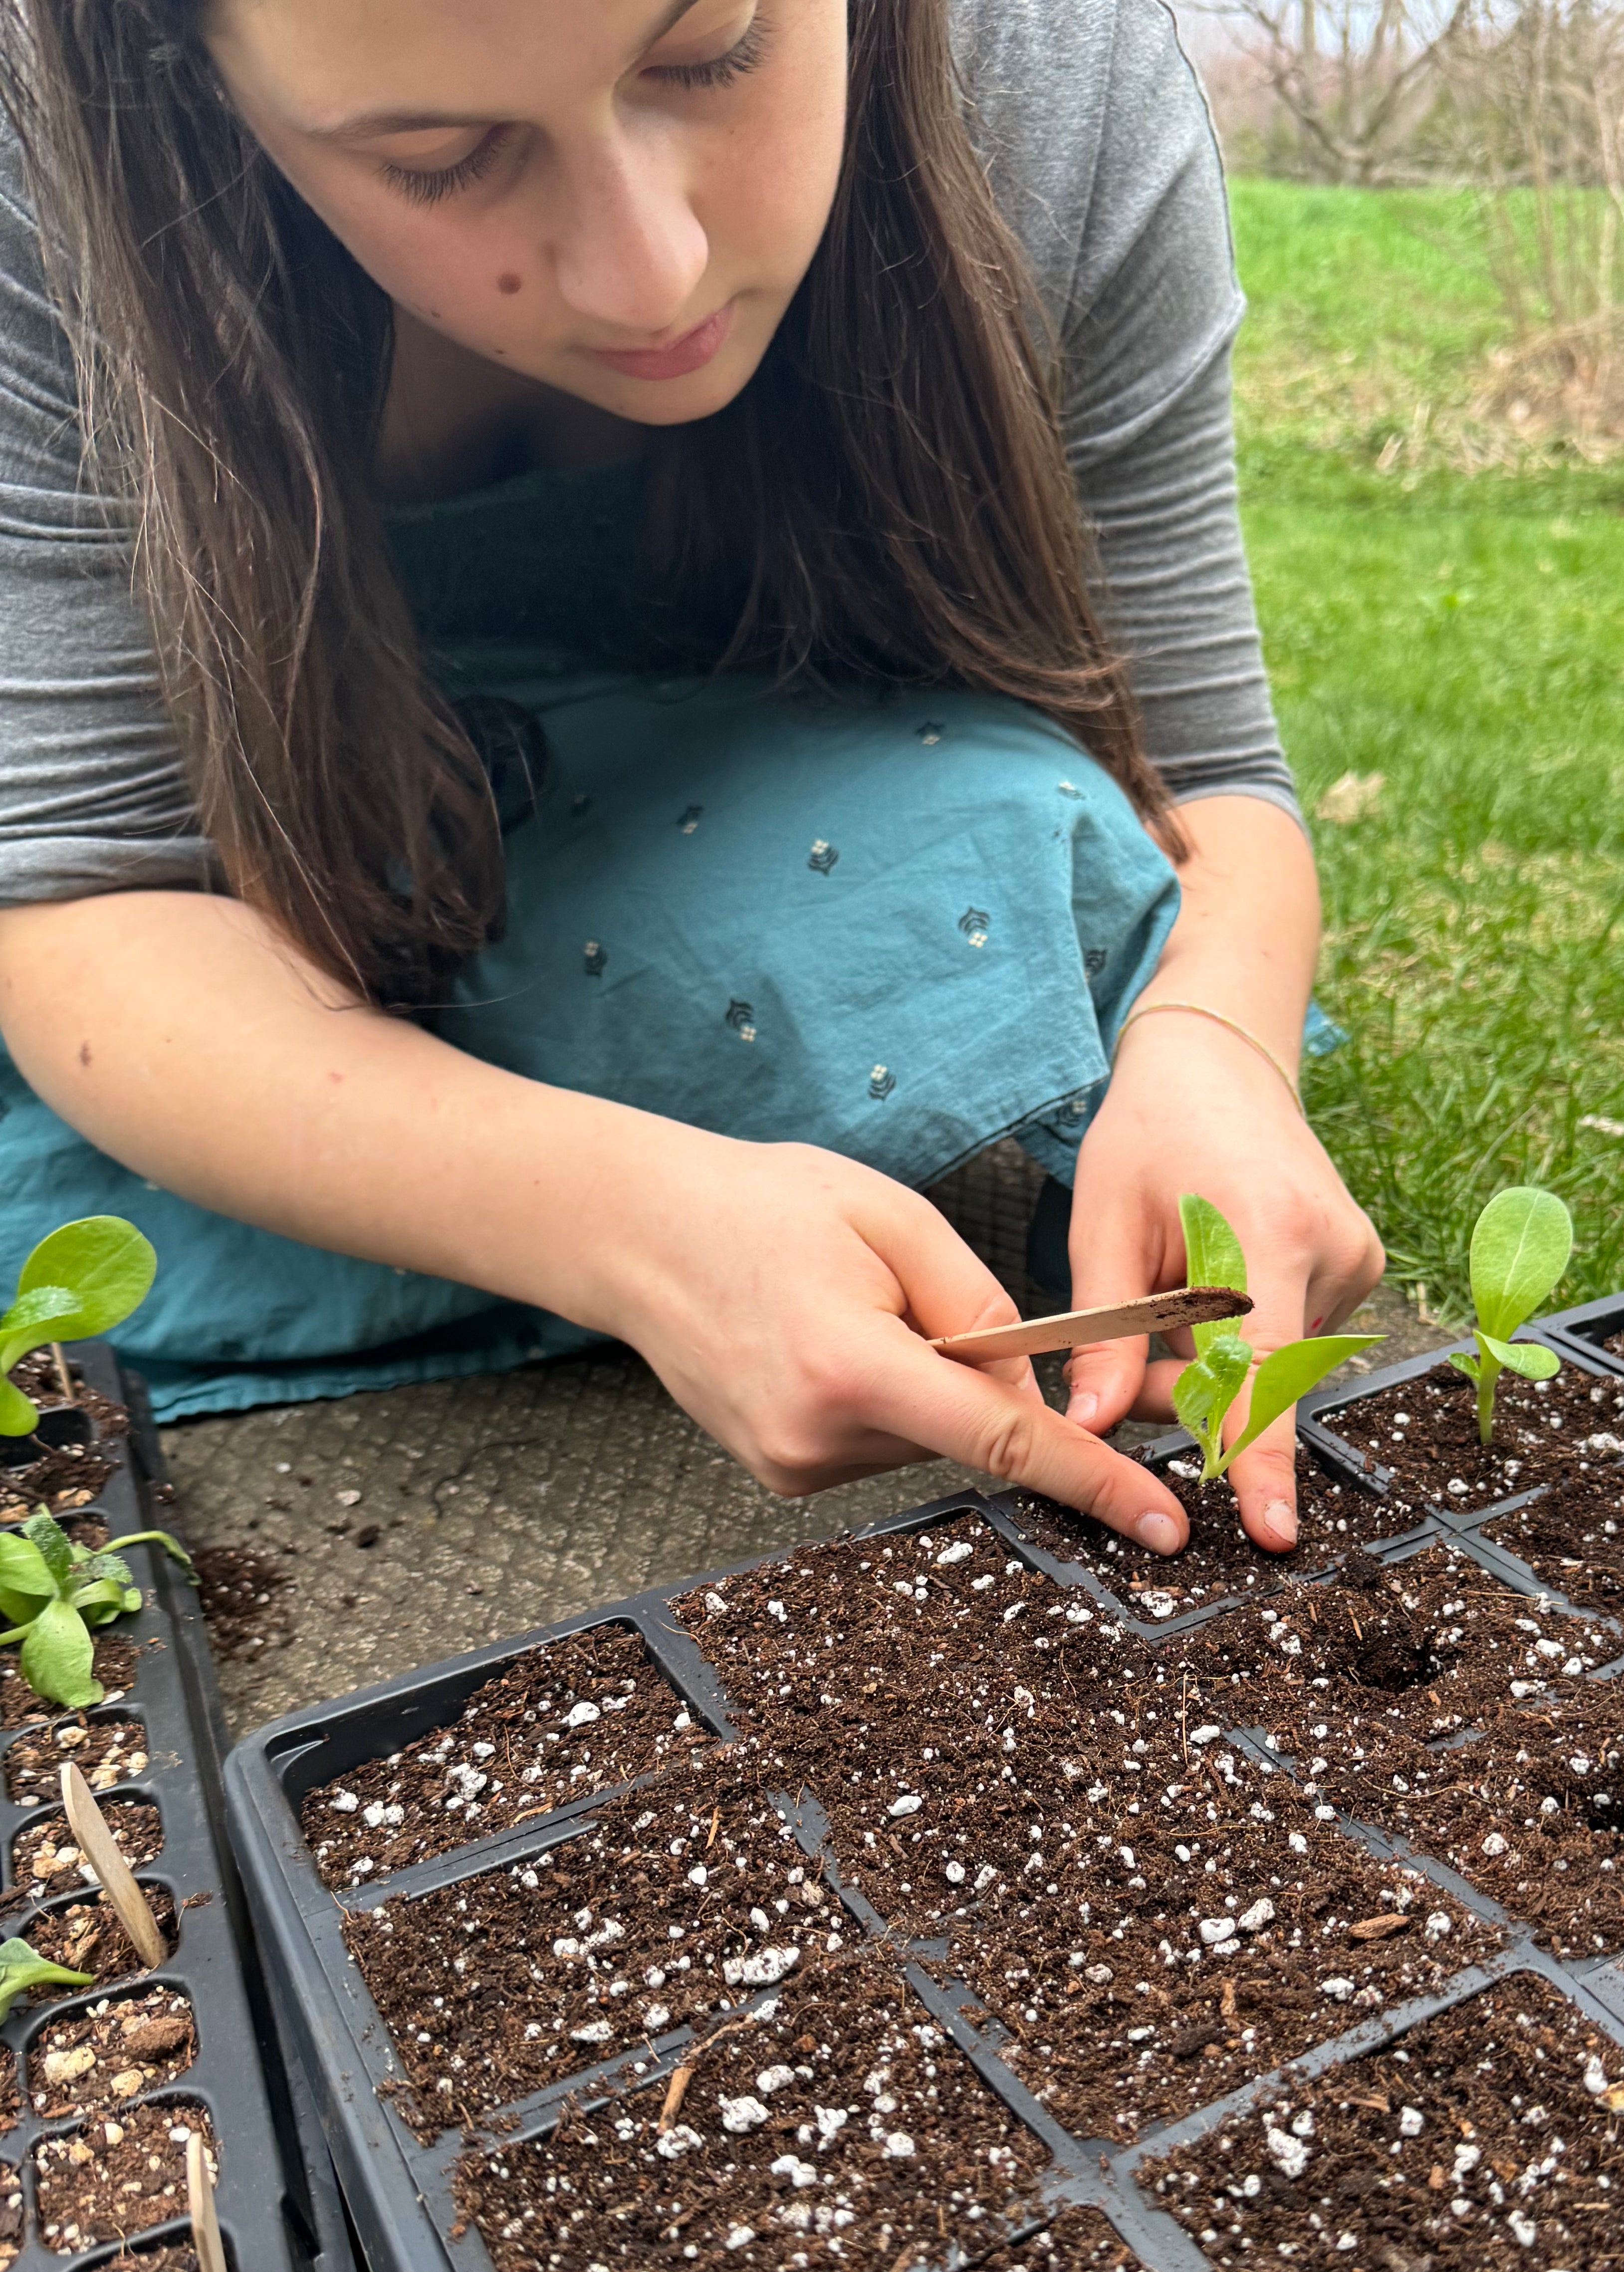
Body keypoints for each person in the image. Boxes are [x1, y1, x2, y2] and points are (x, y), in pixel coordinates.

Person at [0, 0, 1382, 1555]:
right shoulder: (34, 165)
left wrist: (1214, 1040)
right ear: (180, 74)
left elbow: (1192, 769)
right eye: (436, 156)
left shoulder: (1052, 80)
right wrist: (624, 1227)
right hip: (288, 879)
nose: (648, 270)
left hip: (776, 797)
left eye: (713, 53)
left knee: (1020, 821)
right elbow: (79, 885)